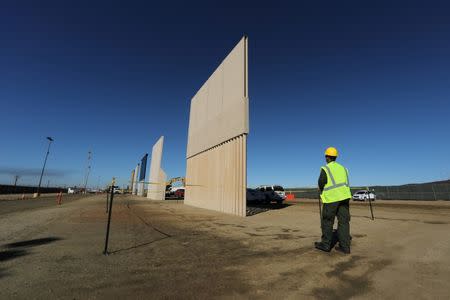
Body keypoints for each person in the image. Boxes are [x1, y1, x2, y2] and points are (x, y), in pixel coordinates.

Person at [315, 147, 352, 254]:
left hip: (331, 199)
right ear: (335, 157)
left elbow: (321, 182)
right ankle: (345, 247)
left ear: (327, 157)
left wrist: (321, 189)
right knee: (344, 222)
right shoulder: (344, 168)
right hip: (344, 198)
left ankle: (326, 244)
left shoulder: (325, 168)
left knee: (327, 221)